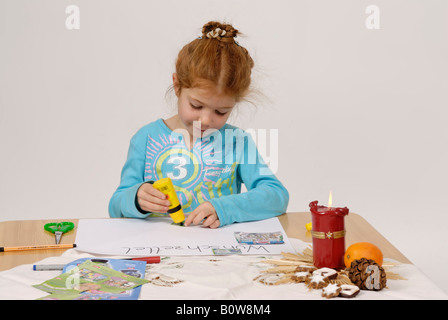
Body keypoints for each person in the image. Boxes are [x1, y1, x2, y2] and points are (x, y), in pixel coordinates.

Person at [109, 21, 289, 228]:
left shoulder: (237, 142)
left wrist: (225, 208)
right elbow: (116, 206)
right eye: (196, 106)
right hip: (158, 254)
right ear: (177, 86)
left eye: (221, 112)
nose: (206, 120)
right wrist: (135, 199)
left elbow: (277, 196)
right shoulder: (146, 138)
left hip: (217, 255)